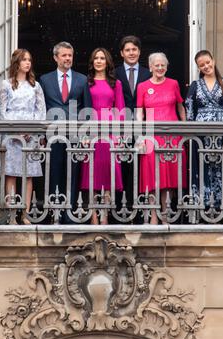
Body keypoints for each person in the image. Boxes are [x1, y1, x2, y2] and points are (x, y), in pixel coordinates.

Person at [39, 42, 92, 224]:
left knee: (72, 173)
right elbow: (41, 108)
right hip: (52, 134)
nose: (68, 58)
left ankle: (69, 213)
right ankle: (54, 212)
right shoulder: (45, 80)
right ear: (55, 57)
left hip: (75, 134)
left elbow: (87, 108)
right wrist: (41, 135)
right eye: (64, 55)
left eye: (70, 55)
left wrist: (86, 135)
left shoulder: (81, 79)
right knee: (53, 172)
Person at [185, 50, 223, 209]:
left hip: (222, 132)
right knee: (203, 166)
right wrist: (192, 129)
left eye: (208, 62)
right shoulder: (196, 85)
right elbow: (189, 106)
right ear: (198, 67)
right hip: (201, 133)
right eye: (202, 65)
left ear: (213, 61)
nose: (206, 66)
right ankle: (202, 204)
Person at [136, 53, 187, 225]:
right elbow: (139, 114)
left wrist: (185, 129)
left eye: (162, 65)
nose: (159, 68)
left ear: (166, 66)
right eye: (156, 65)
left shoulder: (173, 84)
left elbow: (180, 107)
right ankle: (153, 216)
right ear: (150, 67)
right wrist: (140, 137)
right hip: (151, 135)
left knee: (168, 178)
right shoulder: (142, 86)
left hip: (172, 135)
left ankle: (165, 215)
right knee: (152, 177)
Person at [0, 49, 46, 224]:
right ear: (16, 63)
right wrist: (16, 131)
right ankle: (12, 214)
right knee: (11, 174)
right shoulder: (6, 84)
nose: (28, 63)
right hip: (12, 136)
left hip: (30, 135)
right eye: (24, 60)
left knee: (28, 176)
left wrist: (31, 130)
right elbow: (3, 112)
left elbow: (41, 111)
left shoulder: (35, 85)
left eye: (29, 60)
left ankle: (25, 214)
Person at [80, 48, 125, 225]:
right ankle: (93, 217)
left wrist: (120, 136)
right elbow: (83, 109)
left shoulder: (116, 83)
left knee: (108, 174)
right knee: (91, 174)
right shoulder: (87, 82)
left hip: (110, 131)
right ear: (92, 62)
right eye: (96, 58)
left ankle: (105, 216)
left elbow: (121, 110)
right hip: (91, 130)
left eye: (102, 58)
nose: (99, 61)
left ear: (107, 62)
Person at [115, 36, 151, 219]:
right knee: (120, 167)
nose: (131, 53)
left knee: (140, 167)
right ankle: (120, 211)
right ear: (122, 53)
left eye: (134, 49)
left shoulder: (148, 73)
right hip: (120, 127)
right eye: (127, 50)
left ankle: (138, 210)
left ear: (139, 52)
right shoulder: (114, 73)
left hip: (143, 128)